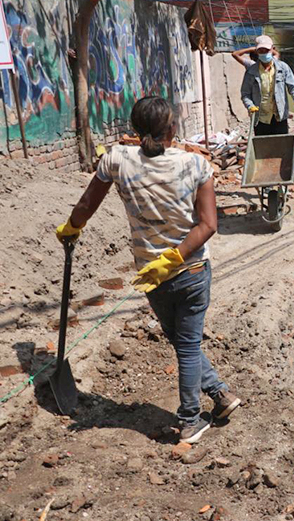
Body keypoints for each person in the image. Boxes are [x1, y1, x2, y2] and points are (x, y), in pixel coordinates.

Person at [55, 97, 241, 444]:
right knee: (184, 343)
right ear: (172, 129)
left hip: (151, 274)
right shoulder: (195, 165)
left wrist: (71, 228)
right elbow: (209, 224)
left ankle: (199, 411)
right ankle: (207, 405)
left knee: (182, 343)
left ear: (135, 129)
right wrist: (176, 256)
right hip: (192, 269)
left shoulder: (117, 160)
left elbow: (85, 204)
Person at [240, 35, 294, 136]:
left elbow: (293, 86)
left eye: (267, 50)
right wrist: (250, 106)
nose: (264, 53)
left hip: (279, 115)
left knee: (282, 146)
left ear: (273, 49)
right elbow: (245, 94)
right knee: (263, 147)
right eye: (261, 51)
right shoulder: (251, 71)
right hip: (260, 117)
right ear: (256, 52)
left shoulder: (283, 67)